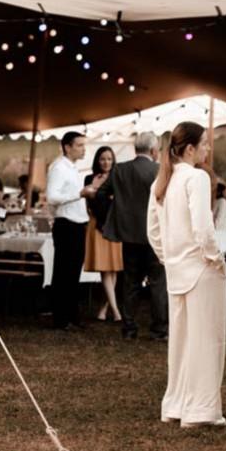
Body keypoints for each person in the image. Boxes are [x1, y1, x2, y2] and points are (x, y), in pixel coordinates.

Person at [147, 122, 226, 428]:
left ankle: (176, 405)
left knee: (180, 342)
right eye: (205, 144)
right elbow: (203, 228)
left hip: (177, 271)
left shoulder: (162, 182)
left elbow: (153, 231)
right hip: (201, 270)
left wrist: (170, 259)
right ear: (190, 148)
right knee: (207, 340)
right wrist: (215, 258)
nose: (208, 149)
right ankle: (201, 410)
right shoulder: (196, 178)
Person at [97, 132, 167, 341]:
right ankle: (159, 329)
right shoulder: (159, 171)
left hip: (128, 235)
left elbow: (101, 194)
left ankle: (129, 327)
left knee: (130, 282)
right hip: (155, 235)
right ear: (154, 151)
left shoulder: (120, 170)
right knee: (157, 282)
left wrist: (113, 215)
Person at [46, 132, 98, 330]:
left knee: (73, 272)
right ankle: (61, 318)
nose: (83, 149)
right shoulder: (59, 168)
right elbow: (52, 196)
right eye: (79, 145)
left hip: (77, 223)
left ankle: (71, 315)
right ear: (67, 147)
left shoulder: (72, 168)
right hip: (66, 224)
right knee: (64, 272)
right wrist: (80, 193)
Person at [83, 146, 123, 323]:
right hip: (96, 224)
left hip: (114, 225)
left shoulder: (118, 178)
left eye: (109, 159)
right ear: (97, 161)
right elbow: (87, 199)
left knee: (113, 268)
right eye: (102, 159)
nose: (106, 162)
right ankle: (116, 311)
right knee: (105, 269)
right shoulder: (89, 178)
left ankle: (104, 308)